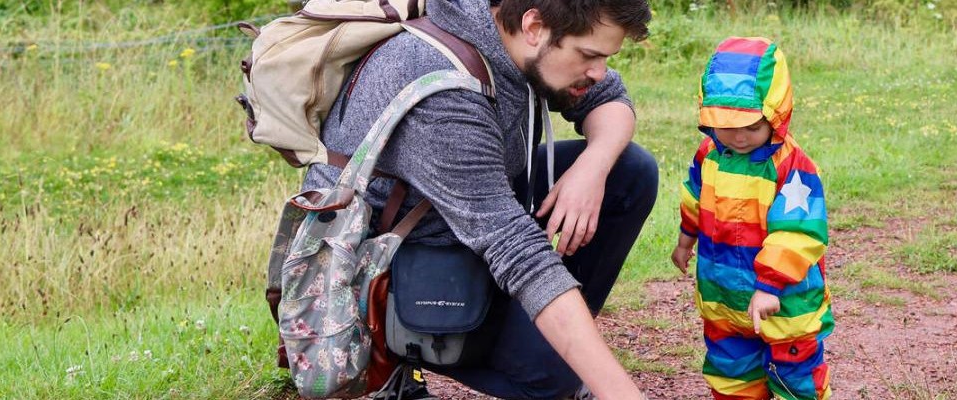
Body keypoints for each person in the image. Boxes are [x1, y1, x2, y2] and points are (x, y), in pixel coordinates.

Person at [302, 0, 657, 398]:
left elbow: (609, 99)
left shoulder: (507, 30)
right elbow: (517, 250)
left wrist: (593, 166)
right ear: (534, 26)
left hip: (473, 208)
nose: (599, 71)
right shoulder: (443, 94)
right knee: (554, 375)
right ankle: (391, 357)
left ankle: (567, 334)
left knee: (629, 174)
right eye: (590, 55)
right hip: (391, 257)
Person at [670, 37, 834, 400]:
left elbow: (797, 233)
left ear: (775, 115)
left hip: (784, 306)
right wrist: (686, 239)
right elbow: (695, 198)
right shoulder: (710, 155)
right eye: (727, 125)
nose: (739, 137)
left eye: (751, 125)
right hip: (725, 297)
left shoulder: (791, 168)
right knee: (732, 375)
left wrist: (769, 286)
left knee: (796, 378)